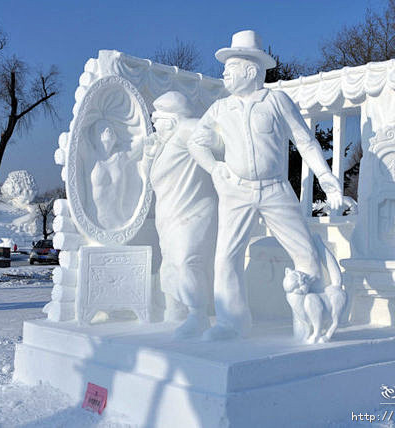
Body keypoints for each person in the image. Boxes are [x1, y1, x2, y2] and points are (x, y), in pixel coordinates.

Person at [188, 30, 346, 340]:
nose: (224, 75)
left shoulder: (276, 101)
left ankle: (306, 322)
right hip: (236, 191)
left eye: (229, 68)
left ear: (249, 70)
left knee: (304, 252)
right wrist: (214, 168)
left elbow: (306, 142)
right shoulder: (221, 108)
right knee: (226, 257)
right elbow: (196, 142)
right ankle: (230, 323)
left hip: (275, 189)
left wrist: (329, 183)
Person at [146, 91, 220, 339]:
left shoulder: (187, 127)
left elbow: (215, 139)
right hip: (170, 215)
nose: (155, 124)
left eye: (158, 119)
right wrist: (149, 155)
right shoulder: (165, 143)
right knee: (172, 266)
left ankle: (198, 315)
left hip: (196, 211)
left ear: (173, 118)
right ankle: (178, 312)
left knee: (188, 261)